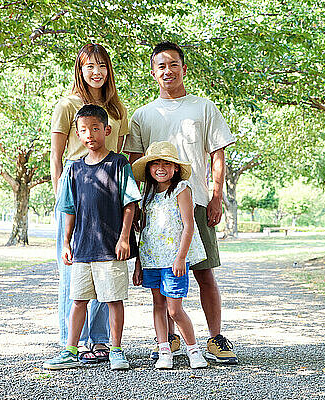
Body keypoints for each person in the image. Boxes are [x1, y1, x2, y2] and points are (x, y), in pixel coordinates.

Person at [124, 41, 238, 364]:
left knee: (204, 273)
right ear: (153, 72)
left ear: (183, 68)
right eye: (161, 66)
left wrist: (216, 195)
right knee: (161, 278)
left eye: (173, 64)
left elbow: (218, 153)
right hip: (155, 209)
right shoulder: (143, 115)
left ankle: (216, 339)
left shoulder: (203, 108)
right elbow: (135, 163)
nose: (167, 71)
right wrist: (136, 211)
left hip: (195, 203)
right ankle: (170, 341)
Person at [44, 105, 141, 370]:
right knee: (78, 301)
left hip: (111, 248)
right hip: (82, 248)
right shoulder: (74, 169)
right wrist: (66, 242)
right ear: (77, 134)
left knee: (112, 299)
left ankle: (116, 349)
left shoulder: (118, 163)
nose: (90, 135)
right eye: (84, 130)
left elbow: (129, 204)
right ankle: (70, 350)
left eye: (96, 129)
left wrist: (124, 239)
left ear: (107, 131)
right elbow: (68, 209)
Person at [50, 43, 129, 363]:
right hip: (75, 189)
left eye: (102, 66)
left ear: (109, 71)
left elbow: (118, 154)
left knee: (105, 268)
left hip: (108, 195)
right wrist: (62, 197)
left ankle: (99, 339)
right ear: (79, 71)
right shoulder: (67, 105)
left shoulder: (118, 111)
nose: (96, 72)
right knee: (74, 271)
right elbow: (57, 156)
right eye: (89, 66)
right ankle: (73, 340)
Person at [131, 141, 209, 370]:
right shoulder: (148, 194)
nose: (160, 168)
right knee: (158, 305)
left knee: (174, 309)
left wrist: (181, 257)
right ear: (149, 168)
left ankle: (193, 349)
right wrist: (138, 264)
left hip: (173, 260)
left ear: (175, 168)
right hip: (151, 260)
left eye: (166, 163)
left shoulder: (181, 189)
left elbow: (188, 226)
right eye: (155, 163)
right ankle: (164, 349)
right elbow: (144, 231)